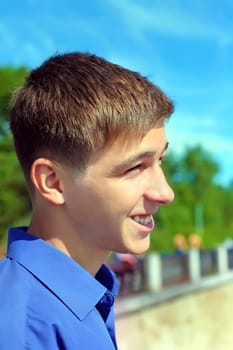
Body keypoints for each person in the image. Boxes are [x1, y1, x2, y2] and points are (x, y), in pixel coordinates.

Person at [0, 52, 174, 349]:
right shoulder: (26, 333)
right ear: (53, 182)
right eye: (135, 168)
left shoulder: (75, 301)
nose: (165, 193)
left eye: (160, 160)